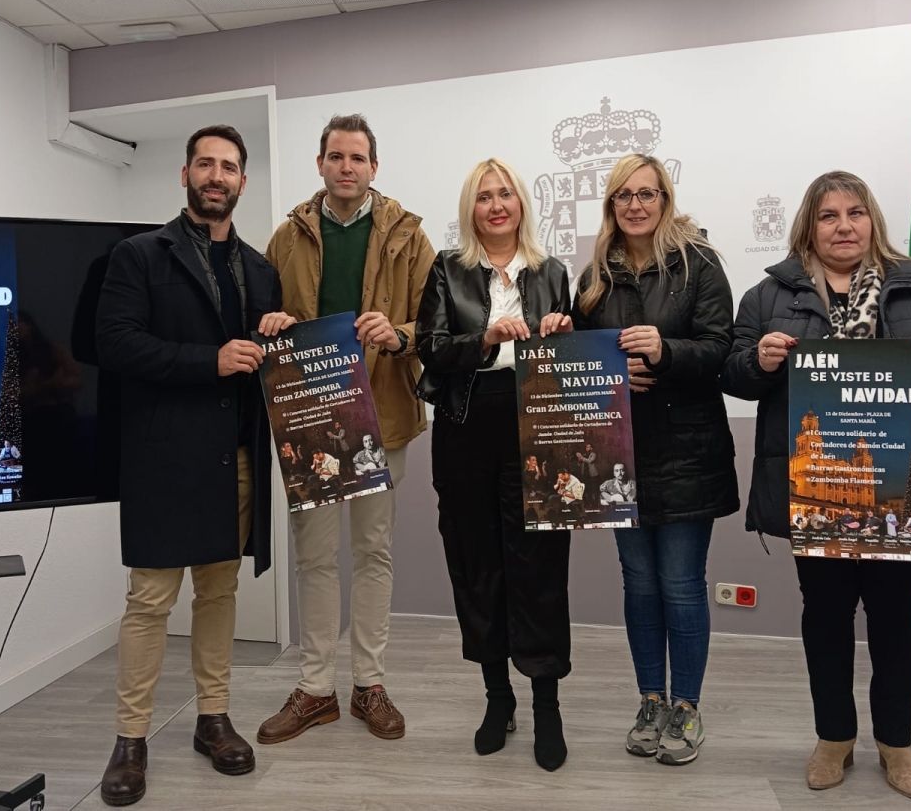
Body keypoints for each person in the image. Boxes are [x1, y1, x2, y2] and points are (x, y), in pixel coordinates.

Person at [721, 170, 911, 800]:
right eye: (828, 216)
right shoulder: (768, 297)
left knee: (898, 619)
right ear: (809, 226)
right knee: (828, 617)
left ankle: (897, 743)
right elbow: (733, 370)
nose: (844, 226)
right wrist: (757, 360)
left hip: (900, 486)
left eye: (855, 213)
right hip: (818, 486)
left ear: (873, 221)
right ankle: (834, 737)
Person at [95, 125, 292, 806]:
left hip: (233, 458)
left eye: (229, 166)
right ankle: (130, 738)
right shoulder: (138, 256)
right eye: (205, 164)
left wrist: (282, 337)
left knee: (220, 592)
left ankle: (213, 717)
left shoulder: (263, 270)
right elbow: (114, 343)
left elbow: (266, 367)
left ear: (242, 181)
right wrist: (206, 361)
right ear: (184, 175)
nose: (217, 175)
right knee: (150, 601)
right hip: (160, 458)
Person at [260, 114, 434, 744]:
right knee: (312, 557)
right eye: (335, 156)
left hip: (382, 419)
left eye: (357, 158)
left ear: (374, 167)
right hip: (310, 422)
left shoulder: (410, 239)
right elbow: (264, 318)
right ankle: (314, 689)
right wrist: (272, 322)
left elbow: (432, 327)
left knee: (373, 553)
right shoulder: (286, 238)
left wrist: (401, 334)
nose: (346, 167)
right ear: (321, 164)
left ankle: (369, 684)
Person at [571, 153, 738, 766]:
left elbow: (723, 350)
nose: (636, 205)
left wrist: (665, 351)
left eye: (648, 194)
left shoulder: (699, 264)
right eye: (624, 196)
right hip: (618, 457)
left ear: (665, 200)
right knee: (639, 585)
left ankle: (687, 707)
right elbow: (580, 361)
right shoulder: (593, 278)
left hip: (688, 450)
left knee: (680, 585)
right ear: (611, 206)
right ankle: (650, 699)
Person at [416, 157, 573, 771]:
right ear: (471, 209)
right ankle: (497, 697)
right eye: (484, 196)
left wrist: (560, 328)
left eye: (505, 193)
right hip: (466, 424)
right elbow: (429, 348)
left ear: (522, 204)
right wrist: (483, 339)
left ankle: (546, 704)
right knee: (476, 564)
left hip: (537, 424)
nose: (496, 204)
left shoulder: (553, 271)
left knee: (538, 567)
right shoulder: (447, 270)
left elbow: (575, 358)